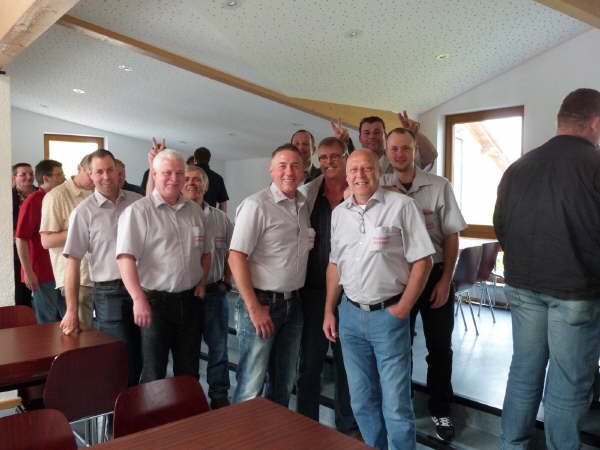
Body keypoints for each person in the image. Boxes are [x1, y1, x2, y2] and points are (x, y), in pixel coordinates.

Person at [494, 88, 600, 450]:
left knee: (524, 371)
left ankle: (512, 445)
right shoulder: (595, 165)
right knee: (568, 381)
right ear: (594, 123)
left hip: (523, 287)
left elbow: (501, 225)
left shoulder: (519, 167)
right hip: (576, 292)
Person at [323, 149, 434, 450]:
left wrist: (404, 307)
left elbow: (423, 260)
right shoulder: (339, 214)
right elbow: (335, 264)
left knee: (396, 404)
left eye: (367, 168)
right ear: (346, 175)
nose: (360, 175)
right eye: (354, 169)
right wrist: (329, 310)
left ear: (378, 172)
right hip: (349, 316)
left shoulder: (402, 206)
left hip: (388, 316)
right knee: (361, 401)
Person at [382, 128, 467, 442]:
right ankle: (398, 406)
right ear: (386, 152)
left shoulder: (439, 185)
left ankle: (441, 409)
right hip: (396, 278)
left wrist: (446, 280)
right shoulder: (378, 184)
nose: (399, 154)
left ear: (415, 151)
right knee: (396, 348)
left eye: (405, 148)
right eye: (394, 149)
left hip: (434, 276)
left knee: (440, 347)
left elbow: (451, 235)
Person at [117, 149, 212, 383]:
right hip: (155, 304)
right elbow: (125, 258)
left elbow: (206, 252)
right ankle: (154, 409)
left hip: (190, 302)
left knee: (189, 371)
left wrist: (202, 282)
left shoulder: (195, 211)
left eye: (179, 173)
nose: (174, 178)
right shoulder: (138, 212)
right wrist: (138, 299)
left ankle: (186, 409)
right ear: (155, 174)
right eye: (167, 173)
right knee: (154, 372)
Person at [229, 144, 312, 406]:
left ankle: (274, 431)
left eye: (295, 166)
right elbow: (236, 257)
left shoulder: (303, 205)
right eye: (282, 166)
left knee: (283, 384)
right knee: (250, 386)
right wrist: (254, 308)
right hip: (261, 304)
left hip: (293, 305)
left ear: (304, 170)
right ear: (271, 170)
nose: (289, 172)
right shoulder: (256, 205)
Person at [61, 150, 142, 386]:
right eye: (99, 172)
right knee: (118, 356)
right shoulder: (83, 212)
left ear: (118, 171)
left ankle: (141, 401)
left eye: (110, 170)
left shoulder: (138, 203)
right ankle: (120, 405)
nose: (106, 176)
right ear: (90, 175)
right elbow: (73, 262)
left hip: (143, 289)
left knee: (144, 354)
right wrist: (71, 310)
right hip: (109, 293)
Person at [296, 137, 358, 436]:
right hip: (313, 291)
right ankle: (305, 424)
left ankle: (347, 427)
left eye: (335, 156)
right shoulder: (307, 194)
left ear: (346, 157)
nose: (329, 162)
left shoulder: (359, 189)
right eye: (323, 157)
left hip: (350, 292)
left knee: (348, 364)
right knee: (310, 363)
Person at [180, 164, 234, 409]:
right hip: (185, 296)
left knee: (218, 348)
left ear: (206, 185)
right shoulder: (176, 216)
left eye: (197, 179)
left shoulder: (221, 219)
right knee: (187, 349)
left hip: (215, 293)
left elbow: (233, 252)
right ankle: (189, 397)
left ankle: (219, 395)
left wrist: (227, 281)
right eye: (187, 179)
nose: (192, 183)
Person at [40, 155, 95, 326]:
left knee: (106, 334)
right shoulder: (56, 196)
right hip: (78, 278)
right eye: (91, 173)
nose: (95, 178)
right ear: (79, 168)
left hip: (103, 275)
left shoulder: (99, 192)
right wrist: (82, 230)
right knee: (81, 332)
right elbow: (46, 241)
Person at [15, 160, 66, 322]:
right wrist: (28, 272)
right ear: (46, 179)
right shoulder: (33, 201)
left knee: (69, 318)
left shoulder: (57, 198)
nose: (64, 178)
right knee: (46, 320)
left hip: (60, 268)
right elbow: (20, 239)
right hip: (41, 272)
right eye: (59, 175)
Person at [330, 112, 438, 173]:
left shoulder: (401, 158)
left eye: (377, 132)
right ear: (360, 138)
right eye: (367, 133)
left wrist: (415, 135)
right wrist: (342, 143)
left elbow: (430, 157)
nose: (372, 136)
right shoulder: (354, 164)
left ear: (385, 136)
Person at [12, 162, 36, 307]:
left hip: (40, 248)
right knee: (21, 293)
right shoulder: (7, 197)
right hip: (18, 250)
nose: (29, 177)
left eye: (31, 174)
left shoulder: (41, 194)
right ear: (14, 178)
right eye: (23, 174)